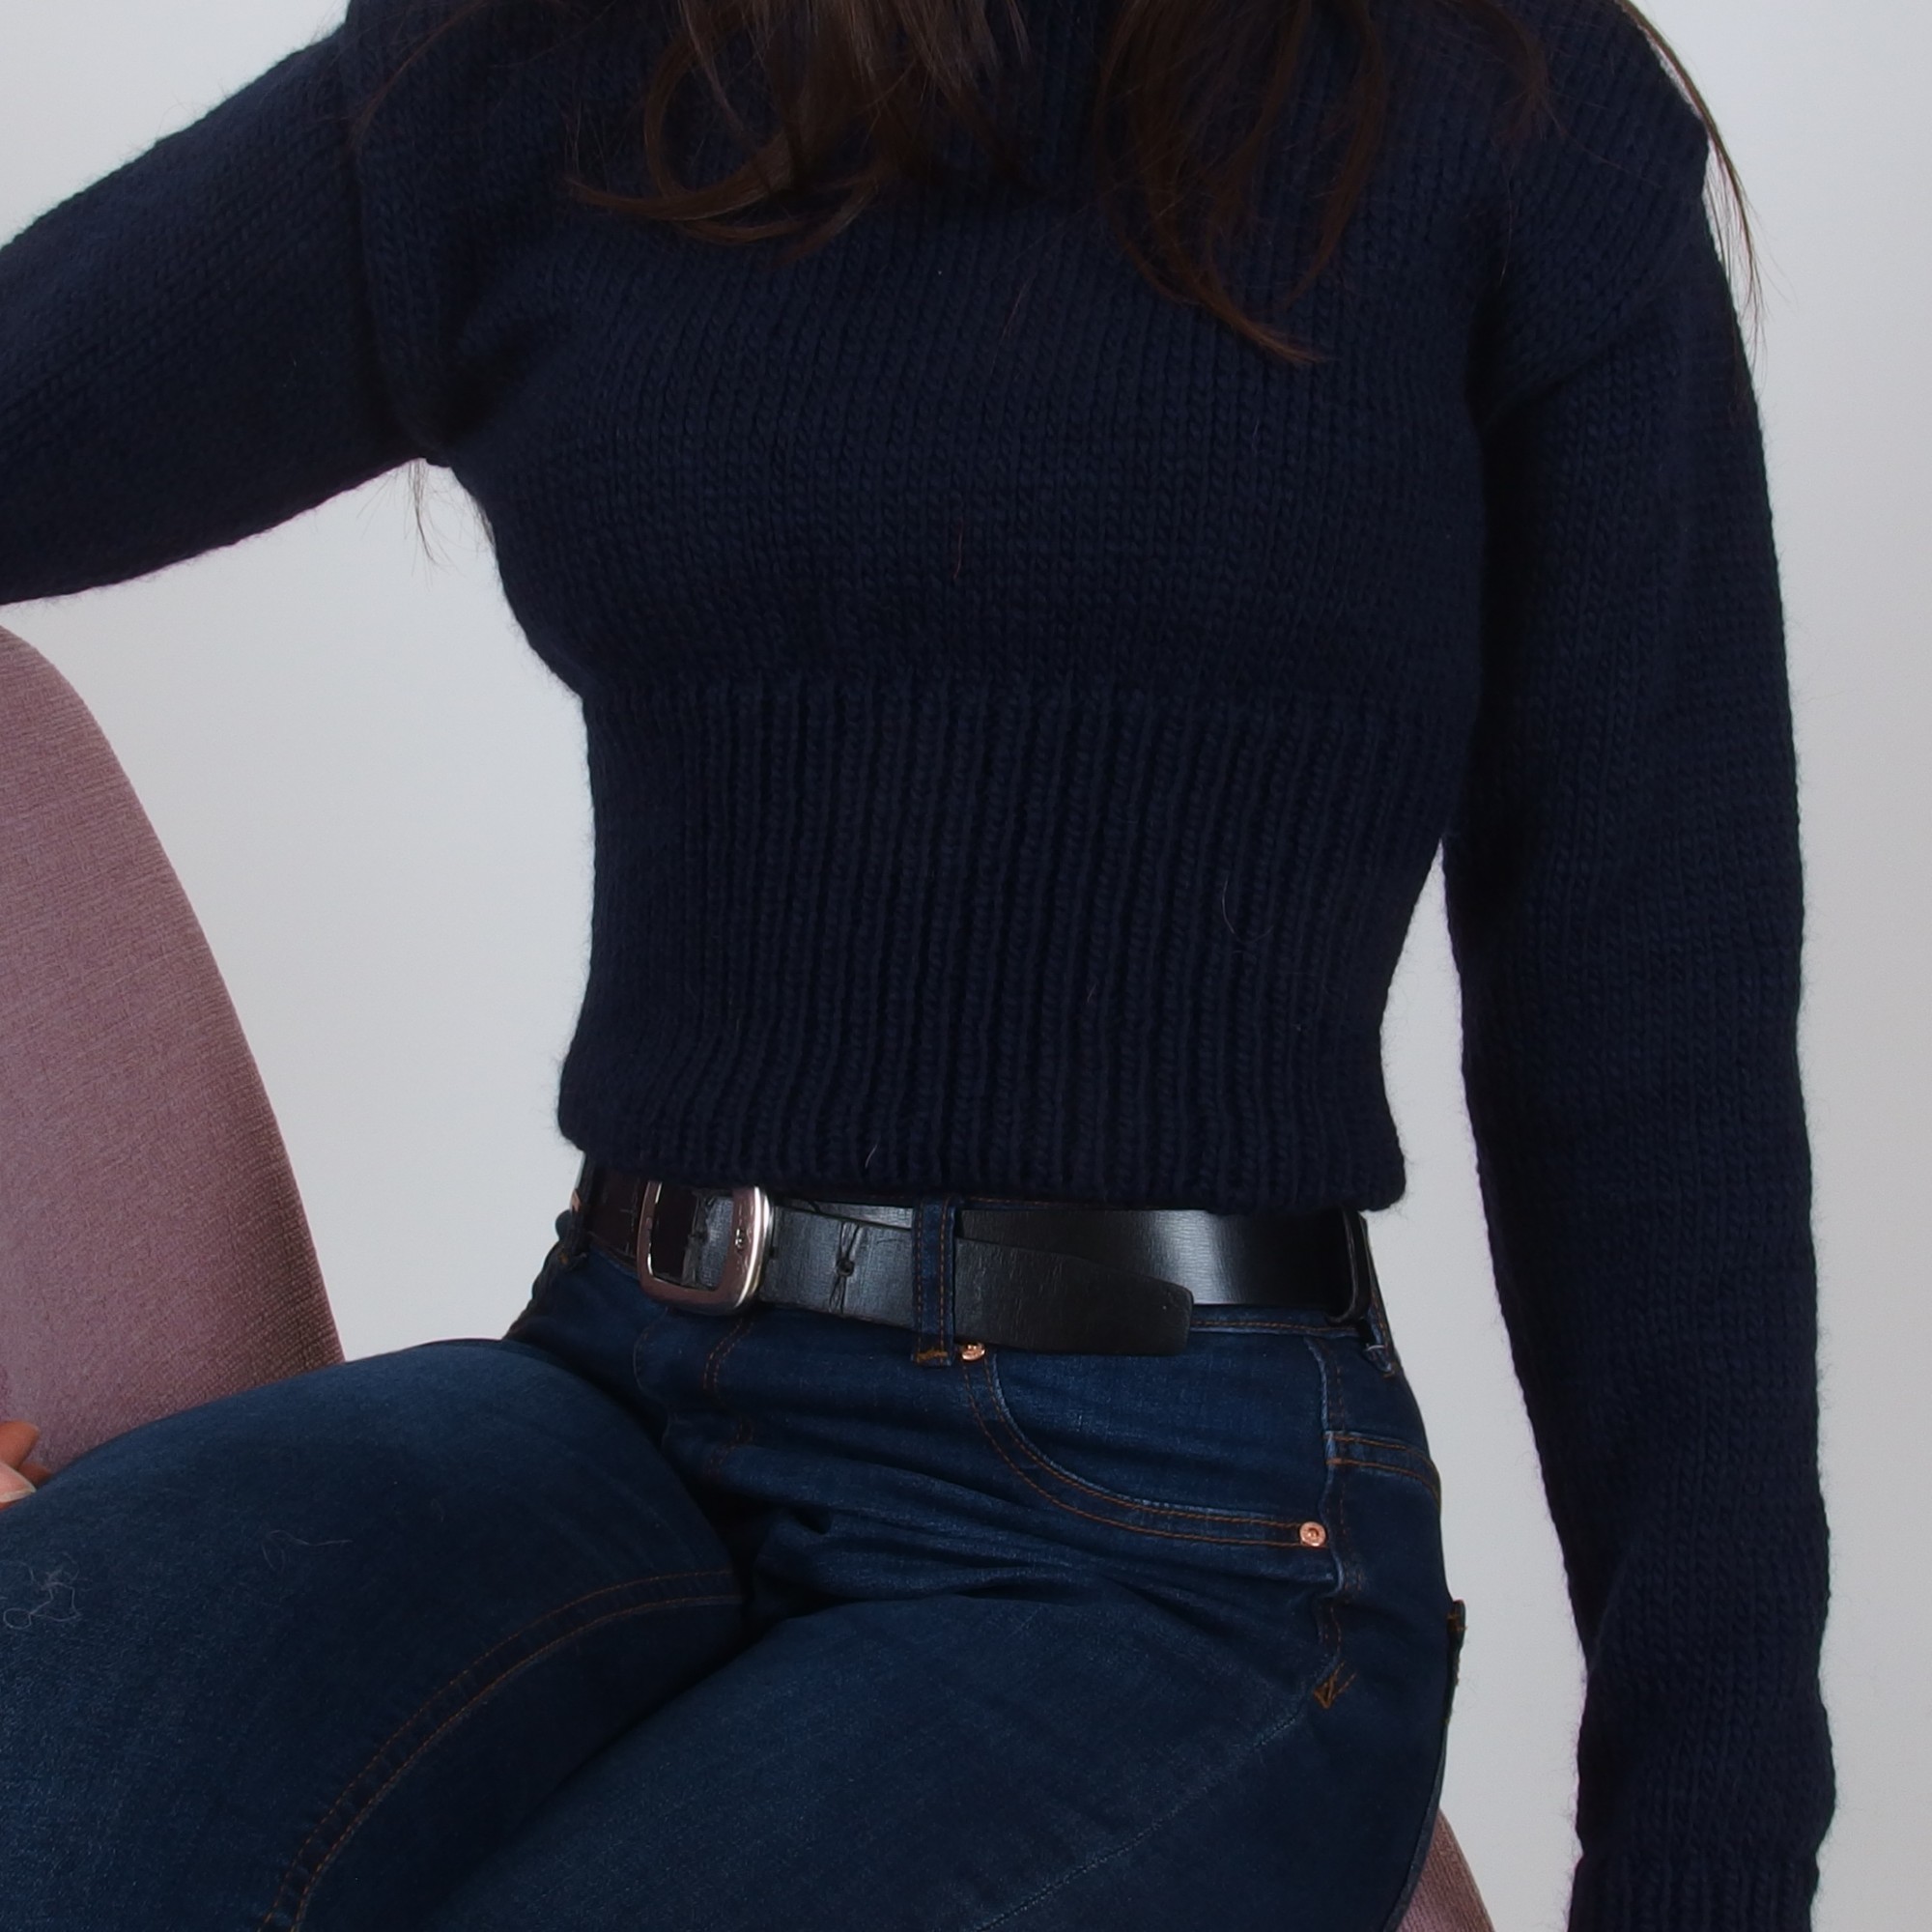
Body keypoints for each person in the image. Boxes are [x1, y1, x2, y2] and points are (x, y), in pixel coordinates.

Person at [0, 0, 1833, 1926]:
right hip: (622, 1385)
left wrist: (1699, 1873)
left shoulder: (1510, 107)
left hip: (1172, 1535)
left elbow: (1653, 1056)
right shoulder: (563, 61)